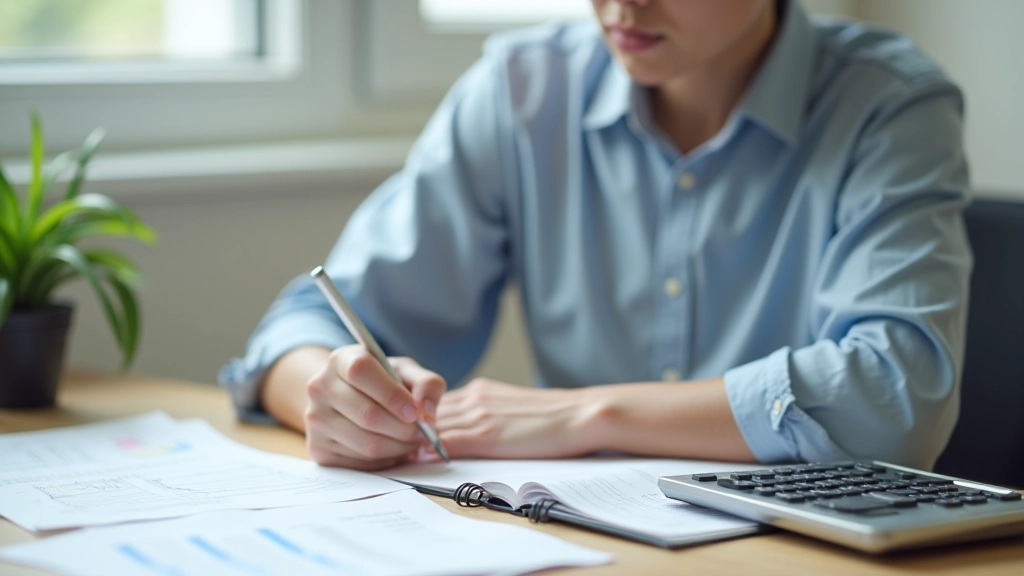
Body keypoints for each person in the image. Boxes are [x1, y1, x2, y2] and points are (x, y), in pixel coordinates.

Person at [220, 0, 971, 472]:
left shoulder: (890, 106)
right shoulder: (522, 88)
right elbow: (307, 325)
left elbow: (895, 398)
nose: (620, 5)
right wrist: (331, 400)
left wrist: (582, 415)